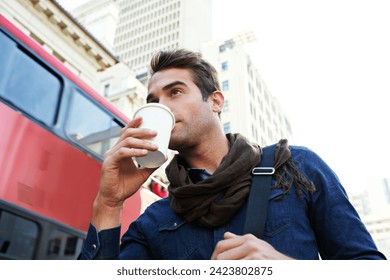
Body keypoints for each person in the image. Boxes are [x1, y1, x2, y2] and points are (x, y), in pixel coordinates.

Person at [78, 49, 386, 260]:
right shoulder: (153, 222)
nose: (162, 106)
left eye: (175, 92)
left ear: (215, 101)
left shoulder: (297, 167)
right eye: (153, 100)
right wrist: (109, 203)